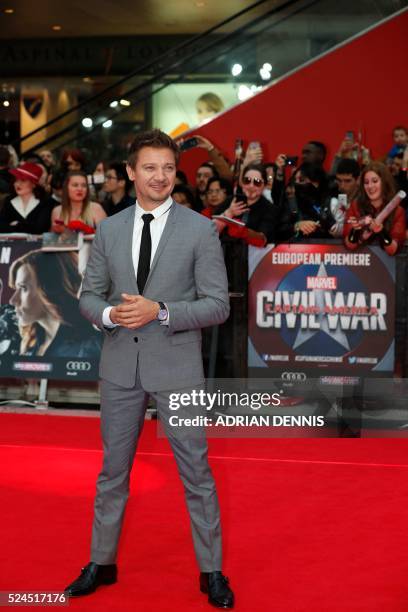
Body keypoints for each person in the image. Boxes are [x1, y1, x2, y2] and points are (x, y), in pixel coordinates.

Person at [64, 129, 234, 609]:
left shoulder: (200, 230)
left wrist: (160, 310)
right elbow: (89, 295)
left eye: (168, 168)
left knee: (196, 473)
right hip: (120, 368)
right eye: (150, 167)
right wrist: (108, 315)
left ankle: (212, 570)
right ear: (131, 173)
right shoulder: (110, 229)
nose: (160, 176)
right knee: (112, 473)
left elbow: (217, 305)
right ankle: (101, 561)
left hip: (177, 368)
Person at [8, 249, 101, 357]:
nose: (12, 300)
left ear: (50, 289)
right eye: (16, 289)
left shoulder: (88, 350)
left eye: (23, 288)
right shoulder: (32, 342)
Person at [343, 161, 406, 256]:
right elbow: (350, 245)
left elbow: (393, 250)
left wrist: (381, 231)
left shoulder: (398, 211)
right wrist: (355, 230)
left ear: (384, 182)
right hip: (360, 263)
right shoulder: (355, 206)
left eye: (375, 181)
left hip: (388, 267)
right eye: (366, 182)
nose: (370, 186)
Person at [216, 163, 279, 246]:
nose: (251, 186)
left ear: (264, 185)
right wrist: (229, 213)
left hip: (254, 256)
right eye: (247, 180)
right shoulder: (230, 200)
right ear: (241, 183)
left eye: (257, 182)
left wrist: (243, 231)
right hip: (223, 253)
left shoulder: (270, 209)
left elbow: (263, 239)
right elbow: (210, 230)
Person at [0, 162, 52, 234]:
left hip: (38, 244)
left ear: (34, 184)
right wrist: (26, 226)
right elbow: (1, 226)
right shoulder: (9, 201)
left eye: (23, 180)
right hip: (12, 244)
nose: (18, 184)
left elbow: (39, 228)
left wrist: (16, 225)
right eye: (16, 180)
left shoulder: (45, 202)